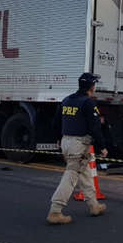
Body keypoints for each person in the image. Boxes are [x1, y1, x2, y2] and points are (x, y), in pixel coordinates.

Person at [47, 72, 109, 225]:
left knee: (85, 173)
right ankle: (55, 211)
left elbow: (55, 122)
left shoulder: (67, 100)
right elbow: (95, 127)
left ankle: (94, 205)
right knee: (71, 176)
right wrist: (102, 147)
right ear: (92, 86)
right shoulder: (87, 102)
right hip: (78, 144)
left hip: (66, 141)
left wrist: (57, 139)